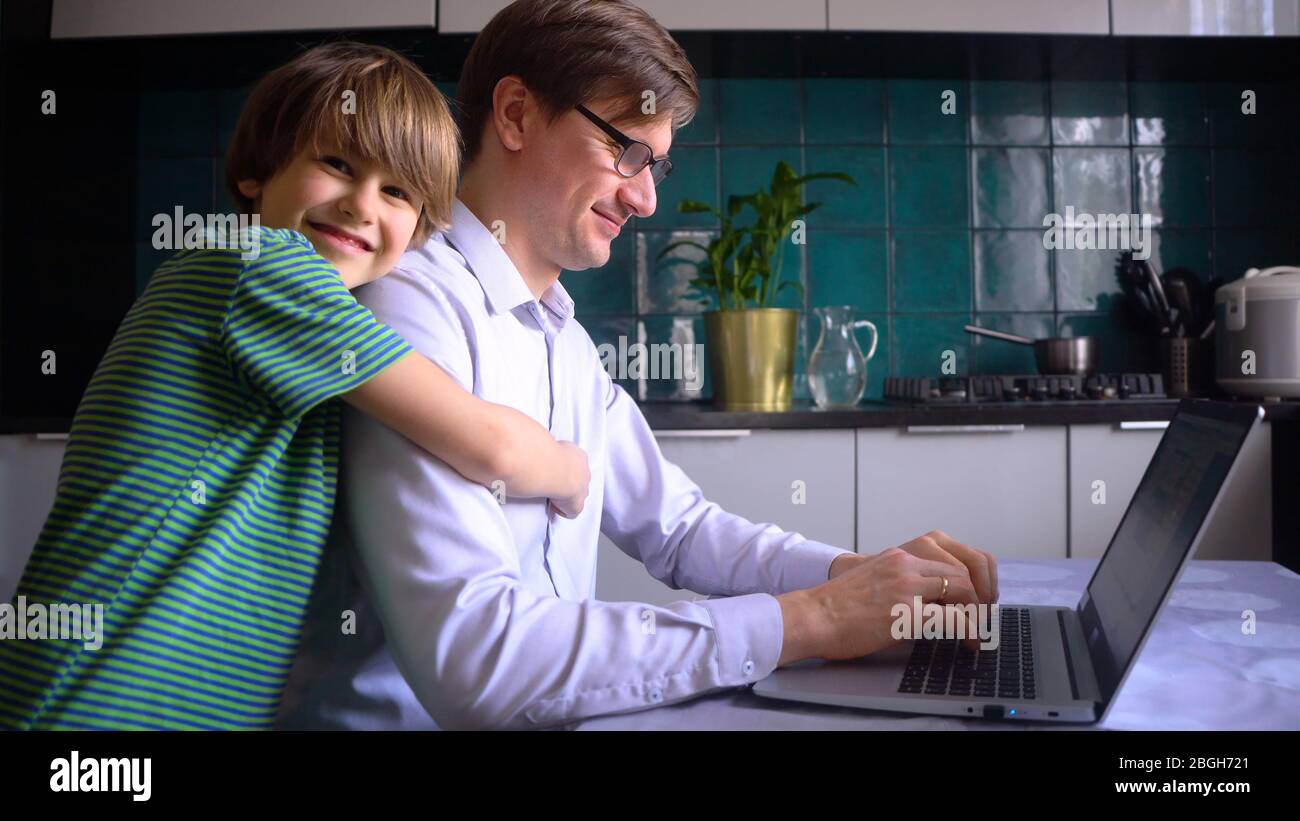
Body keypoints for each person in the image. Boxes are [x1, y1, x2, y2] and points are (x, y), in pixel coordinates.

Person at [279, 0, 997, 731]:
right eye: (627, 152)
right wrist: (811, 619)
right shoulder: (408, 305)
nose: (646, 197)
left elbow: (680, 528)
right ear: (518, 115)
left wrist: (857, 575)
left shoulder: (561, 338)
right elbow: (478, 661)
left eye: (654, 165)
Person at [0, 41, 589, 730]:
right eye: (337, 164)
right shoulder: (260, 264)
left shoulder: (307, 324)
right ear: (258, 171)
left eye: (397, 191)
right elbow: (487, 443)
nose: (362, 204)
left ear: (422, 230)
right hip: (95, 705)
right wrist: (572, 468)